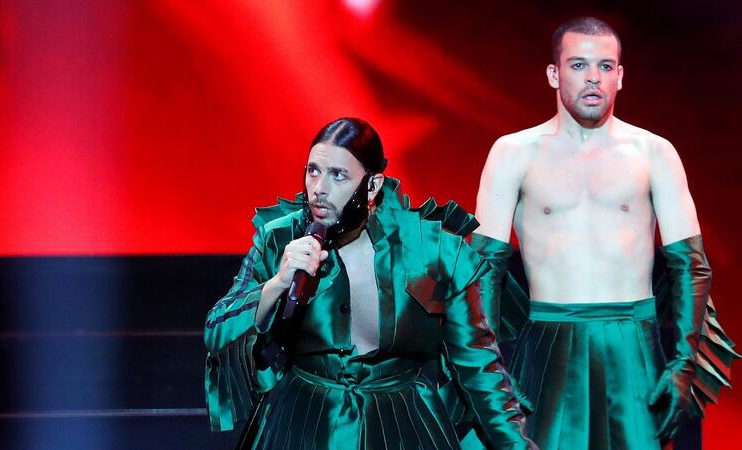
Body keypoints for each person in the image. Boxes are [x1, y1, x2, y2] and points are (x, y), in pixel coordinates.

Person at [472, 17, 737, 450]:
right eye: (578, 65)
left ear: (620, 77)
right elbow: (482, 271)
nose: (593, 78)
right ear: (554, 74)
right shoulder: (513, 153)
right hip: (548, 341)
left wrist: (685, 362)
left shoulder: (655, 153)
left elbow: (690, 264)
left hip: (632, 342)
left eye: (606, 67)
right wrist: (488, 371)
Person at [204, 118, 535, 449]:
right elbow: (217, 328)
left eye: (338, 175)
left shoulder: (431, 251)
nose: (319, 188)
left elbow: (479, 369)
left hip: (402, 425)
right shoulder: (279, 239)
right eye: (313, 171)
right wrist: (277, 283)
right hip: (303, 423)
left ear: (373, 185)